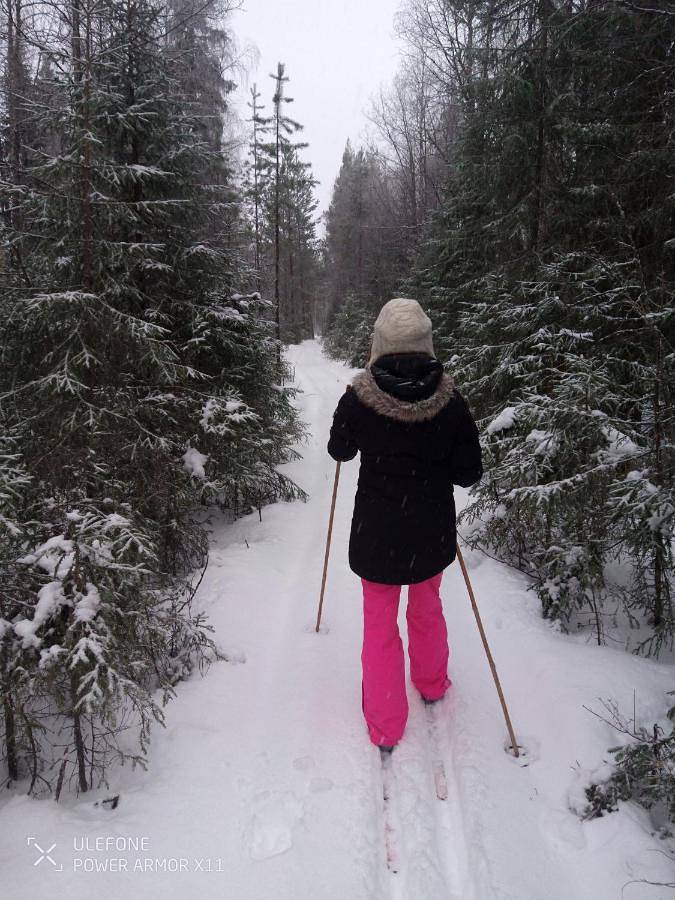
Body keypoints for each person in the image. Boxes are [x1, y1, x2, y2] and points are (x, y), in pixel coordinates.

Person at [327, 297, 483, 753]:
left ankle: (385, 725)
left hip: (376, 534)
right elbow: (468, 473)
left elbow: (339, 452)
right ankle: (432, 683)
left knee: (379, 624)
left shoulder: (358, 399)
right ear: (425, 342)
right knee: (427, 606)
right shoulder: (451, 402)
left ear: (379, 343)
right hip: (430, 532)